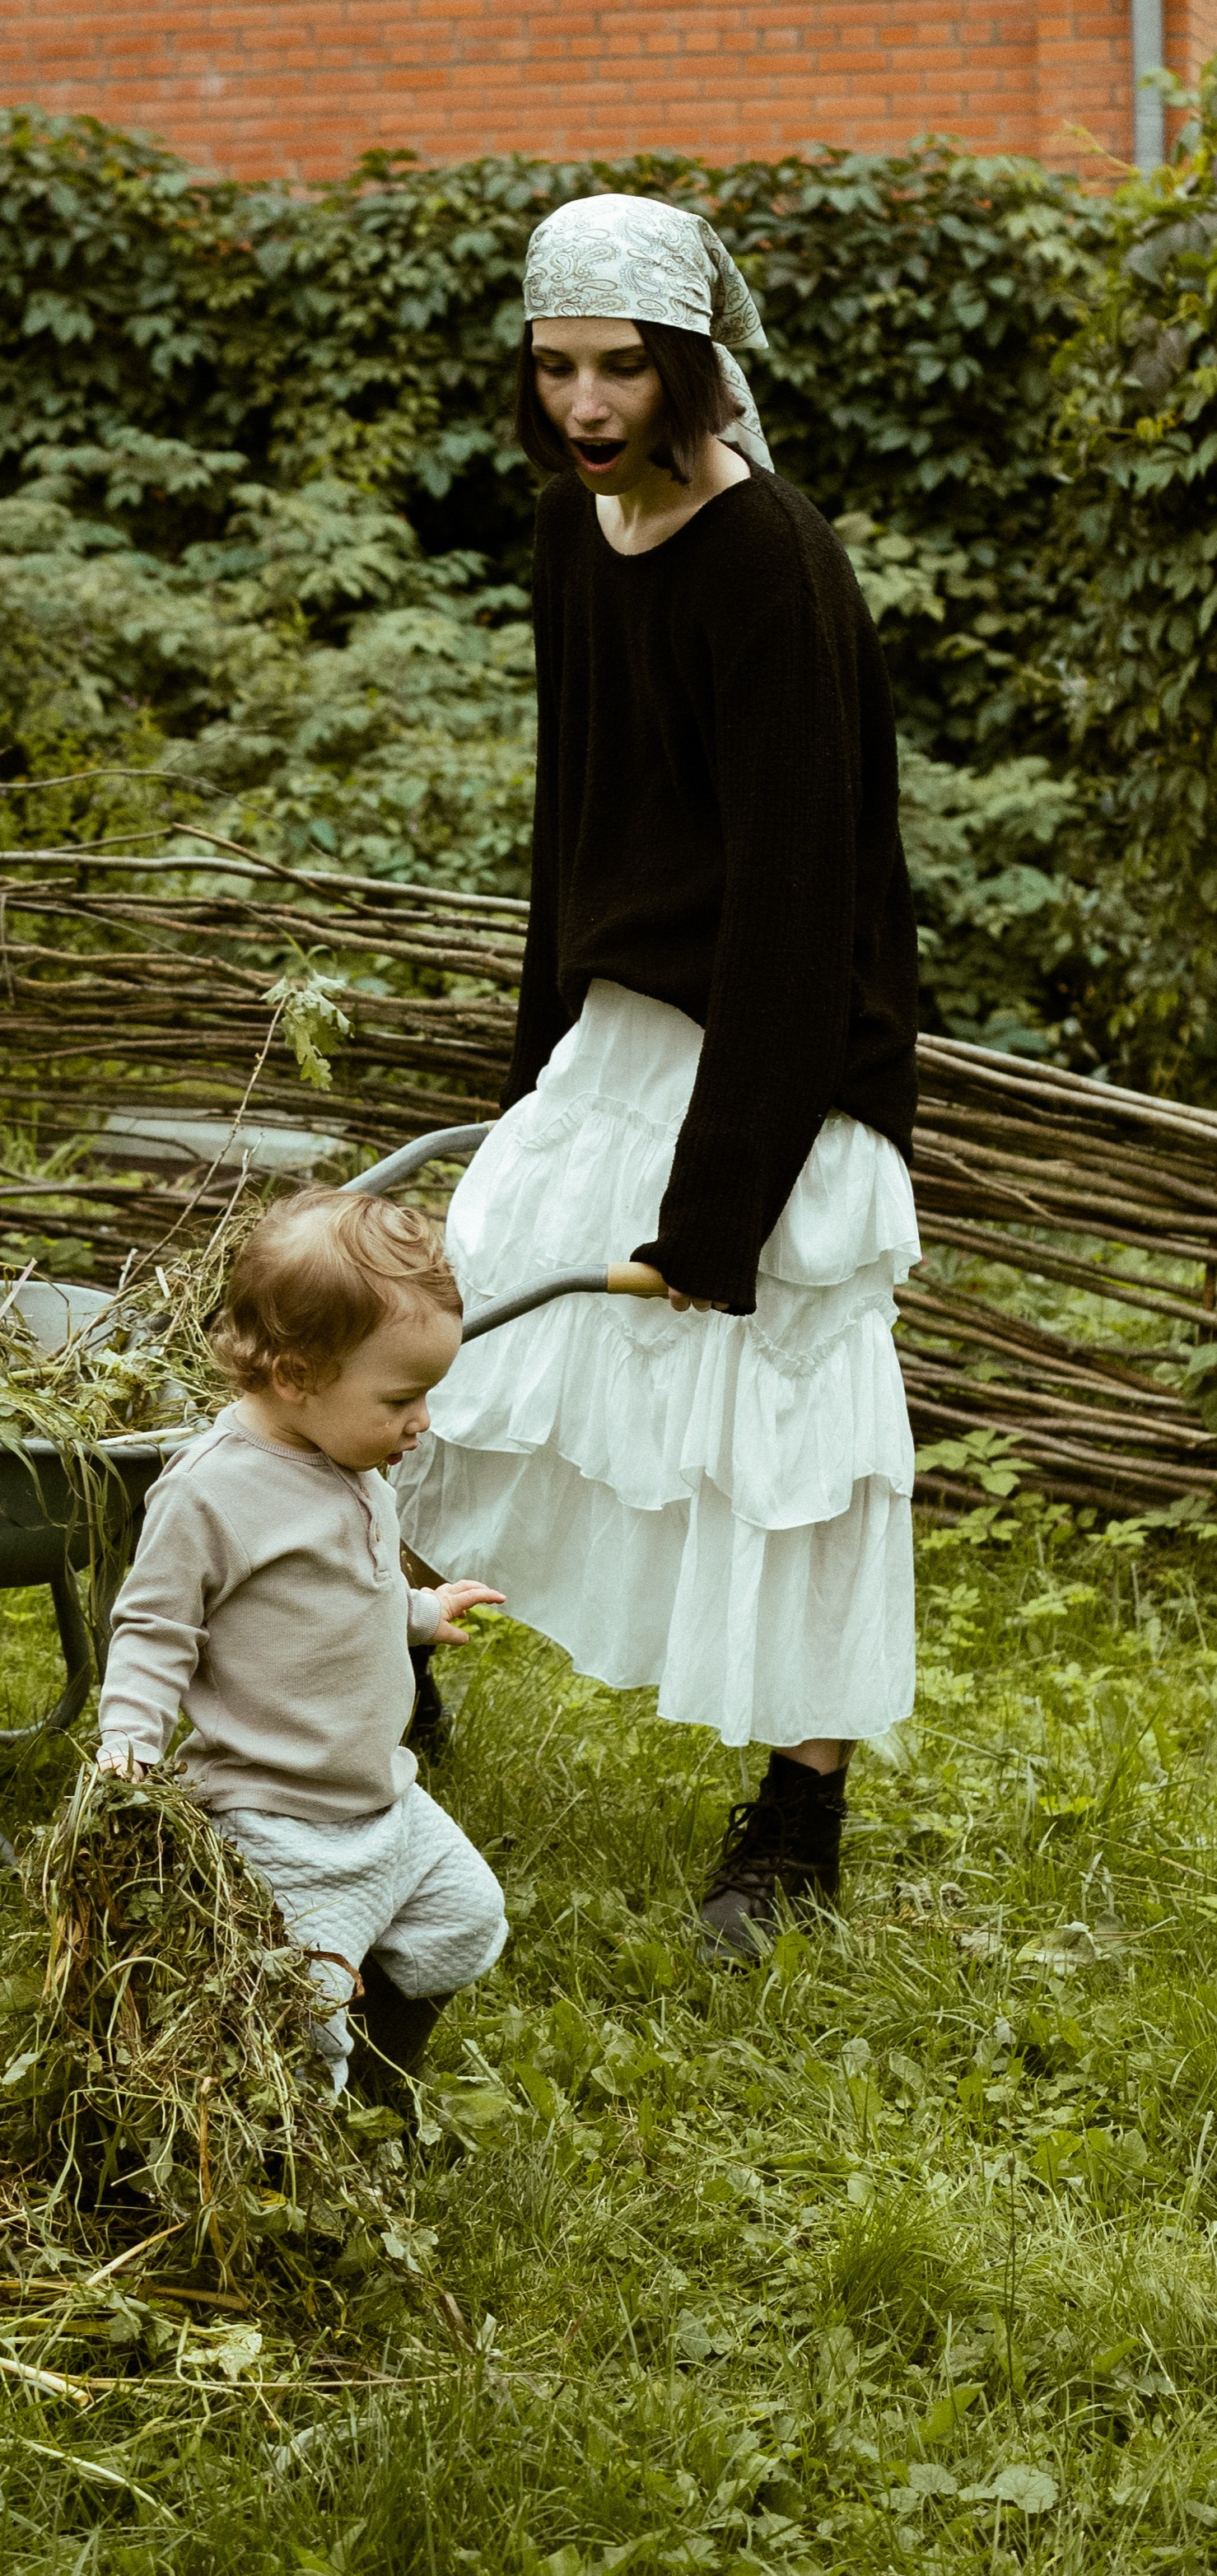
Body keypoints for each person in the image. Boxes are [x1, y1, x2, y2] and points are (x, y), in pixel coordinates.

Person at [395, 194, 921, 1961]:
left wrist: (725, 1204)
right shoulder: (571, 532)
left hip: (774, 1053)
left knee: (792, 1426)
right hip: (622, 1034)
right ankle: (382, 1690)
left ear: (692, 364)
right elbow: (573, 820)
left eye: (622, 367)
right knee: (468, 1353)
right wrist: (536, 1057)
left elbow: (801, 896)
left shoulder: (769, 555)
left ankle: (799, 1814)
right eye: (557, 369)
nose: (587, 404)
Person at [96, 1189, 509, 2106]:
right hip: (277, 1822)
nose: (424, 1419)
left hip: (379, 1796)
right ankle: (301, 2155)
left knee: (464, 1918)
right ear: (296, 1373)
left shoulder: (351, 1458)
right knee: (296, 2013)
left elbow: (336, 1591)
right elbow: (155, 1628)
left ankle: (376, 2084)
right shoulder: (211, 1493)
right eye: (402, 1396)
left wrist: (416, 1611)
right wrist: (126, 1744)